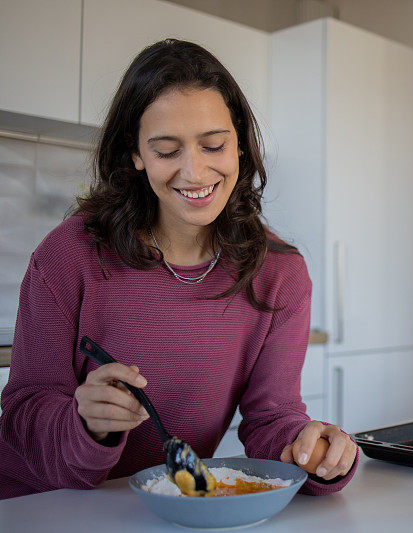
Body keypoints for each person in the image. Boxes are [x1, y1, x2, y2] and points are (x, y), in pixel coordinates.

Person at [0, 39, 358, 499]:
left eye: (213, 145)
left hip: (168, 508)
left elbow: (272, 419)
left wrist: (310, 451)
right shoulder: (69, 254)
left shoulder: (279, 274)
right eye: (167, 150)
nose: (195, 171)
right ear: (135, 153)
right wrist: (83, 423)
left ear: (240, 145)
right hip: (37, 504)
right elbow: (23, 410)